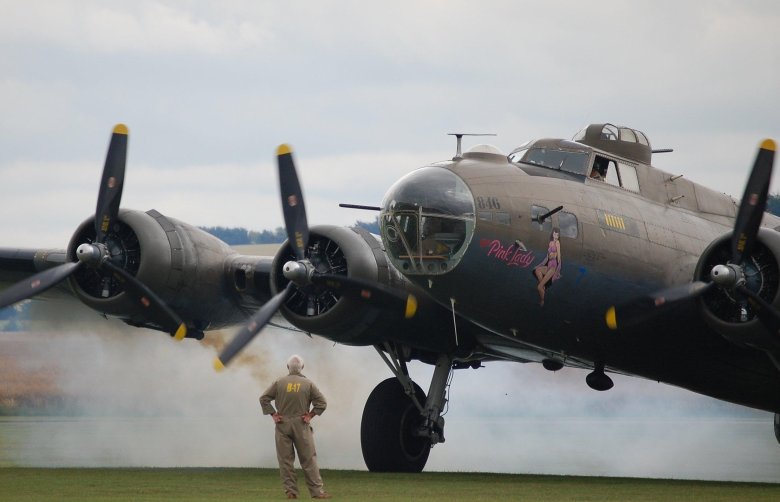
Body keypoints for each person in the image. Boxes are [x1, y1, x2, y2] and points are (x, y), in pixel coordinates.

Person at [260, 354, 331, 500]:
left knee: (285, 460)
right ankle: (317, 492)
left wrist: (273, 414)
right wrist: (310, 415)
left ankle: (290, 492)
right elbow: (322, 403)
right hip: (302, 424)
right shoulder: (308, 384)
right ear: (302, 368)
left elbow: (264, 398)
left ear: (288, 367)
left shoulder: (279, 382)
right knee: (309, 460)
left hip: (282, 424)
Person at [533, 227, 562, 306]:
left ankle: (542, 301)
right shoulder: (550, 243)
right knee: (537, 270)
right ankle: (543, 286)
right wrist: (540, 265)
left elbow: (559, 257)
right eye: (555, 234)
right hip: (549, 265)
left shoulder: (557, 243)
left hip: (553, 267)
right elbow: (547, 258)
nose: (556, 236)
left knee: (539, 287)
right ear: (552, 234)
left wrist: (558, 271)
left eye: (557, 235)